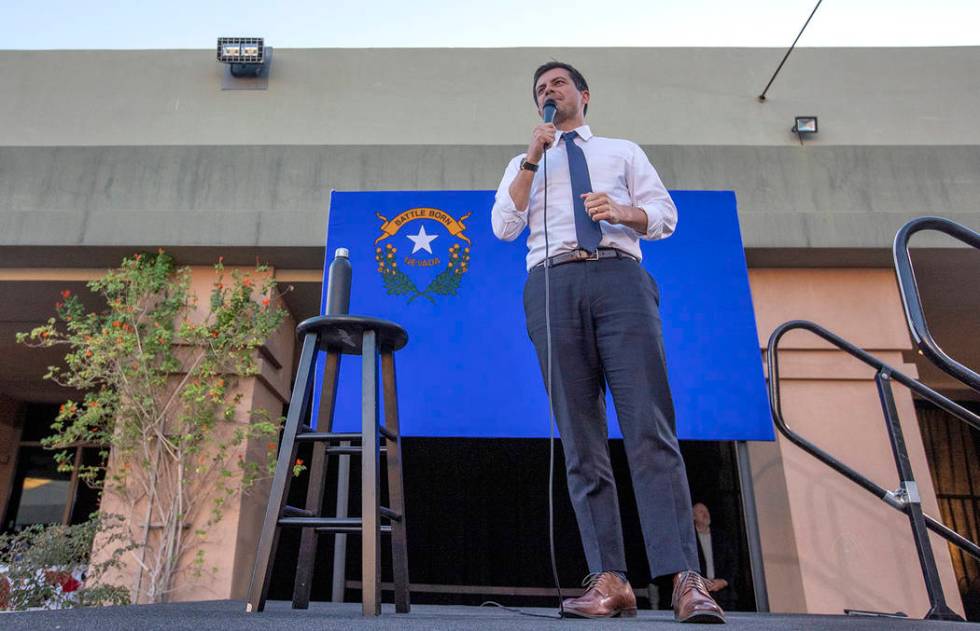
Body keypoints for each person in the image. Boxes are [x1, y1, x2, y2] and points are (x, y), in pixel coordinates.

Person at [491, 61, 725, 624]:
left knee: (649, 429)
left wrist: (622, 212)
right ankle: (611, 581)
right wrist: (530, 159)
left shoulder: (621, 151)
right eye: (540, 90)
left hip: (619, 276)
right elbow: (504, 225)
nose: (549, 93)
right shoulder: (524, 162)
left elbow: (665, 215)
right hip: (552, 282)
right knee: (581, 437)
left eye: (558, 85)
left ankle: (685, 580)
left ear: (584, 96)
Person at [693, 502, 738, 611]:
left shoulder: (721, 537)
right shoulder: (689, 540)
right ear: (693, 517)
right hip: (698, 595)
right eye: (701, 512)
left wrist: (723, 581)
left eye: (707, 511)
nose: (706, 514)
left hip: (723, 595)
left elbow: (732, 563)